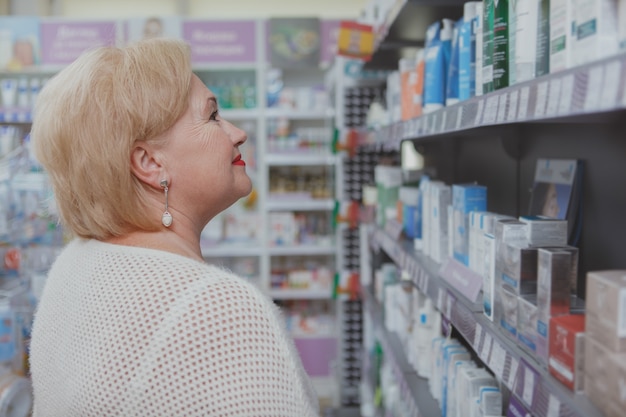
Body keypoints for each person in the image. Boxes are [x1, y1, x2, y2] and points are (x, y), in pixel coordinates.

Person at [28, 38, 319, 417]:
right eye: (212, 116)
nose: (237, 133)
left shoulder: (74, 263)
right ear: (150, 162)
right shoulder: (219, 310)